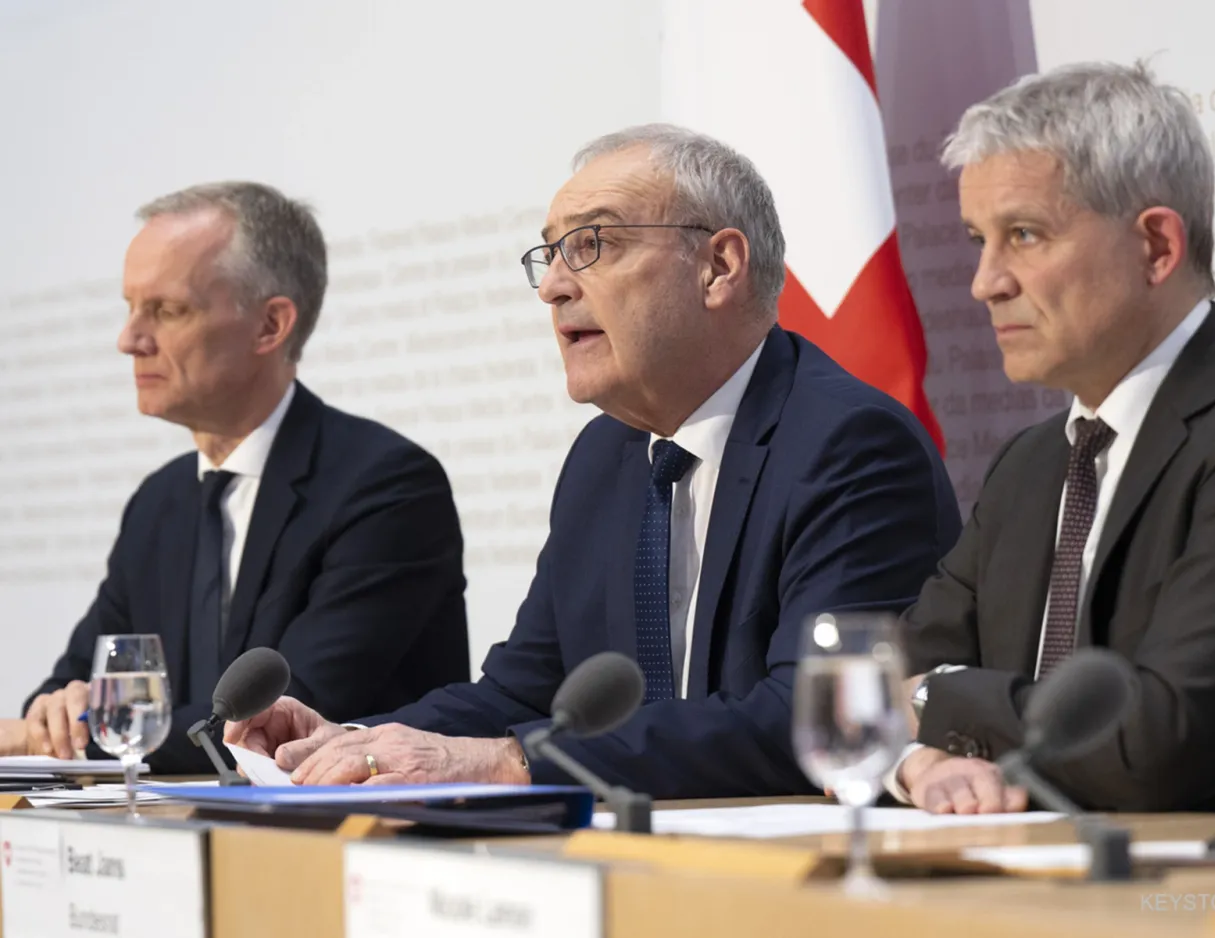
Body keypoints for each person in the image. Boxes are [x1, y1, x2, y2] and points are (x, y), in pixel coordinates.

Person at [227, 125, 961, 799]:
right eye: (550, 253)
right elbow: (524, 690)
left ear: (718, 266)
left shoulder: (849, 442)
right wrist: (351, 742)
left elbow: (815, 716)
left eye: (593, 244)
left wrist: (512, 760)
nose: (553, 285)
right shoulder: (605, 454)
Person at [892, 62, 1215, 821]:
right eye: (980, 239)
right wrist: (923, 765)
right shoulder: (1030, 466)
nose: (985, 282)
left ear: (1156, 247)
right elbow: (874, 692)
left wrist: (937, 696)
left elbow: (1156, 746)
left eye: (1023, 235)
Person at [4, 182, 471, 773]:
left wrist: (71, 733)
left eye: (167, 311)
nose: (129, 341)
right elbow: (65, 689)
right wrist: (58, 715)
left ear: (270, 326)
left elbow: (281, 717)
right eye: (129, 308)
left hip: (347, 843)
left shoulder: (386, 486)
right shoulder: (159, 503)